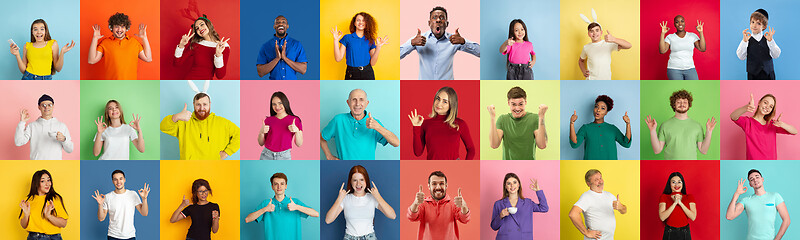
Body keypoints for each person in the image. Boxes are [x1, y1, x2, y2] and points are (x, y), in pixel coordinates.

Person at [400, 6, 480, 80]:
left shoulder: (454, 39)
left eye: (442, 18)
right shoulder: (419, 39)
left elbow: (481, 52)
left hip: (447, 88)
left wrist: (464, 42)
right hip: (424, 86)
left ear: (447, 24)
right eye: (434, 17)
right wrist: (411, 43)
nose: (438, 20)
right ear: (429, 23)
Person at [320, 89, 399, 160]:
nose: (357, 104)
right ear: (348, 102)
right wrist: (328, 156)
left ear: (366, 103)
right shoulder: (338, 120)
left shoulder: (374, 122)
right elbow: (321, 137)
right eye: (354, 100)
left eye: (361, 100)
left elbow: (396, 143)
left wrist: (378, 127)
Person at [160, 92, 241, 160]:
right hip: (189, 167)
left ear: (210, 104)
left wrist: (227, 152)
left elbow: (240, 135)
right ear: (194, 105)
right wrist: (176, 116)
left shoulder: (222, 122)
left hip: (213, 167)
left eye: (205, 104)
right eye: (198, 104)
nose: (202, 108)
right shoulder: (183, 121)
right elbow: (163, 127)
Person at [325, 165, 396, 239]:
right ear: (351, 182)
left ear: (366, 181)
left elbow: (392, 215)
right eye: (355, 180)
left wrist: (378, 196)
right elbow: (328, 220)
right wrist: (339, 199)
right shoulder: (345, 199)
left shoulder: (372, 198)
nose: (358, 184)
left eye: (361, 180)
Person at [245, 173, 319, 240]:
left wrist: (297, 207)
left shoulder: (294, 202)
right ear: (272, 187)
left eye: (282, 184)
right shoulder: (266, 203)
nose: (279, 186)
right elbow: (247, 219)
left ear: (286, 186)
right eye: (276, 184)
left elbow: (316, 214)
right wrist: (265, 209)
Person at [645, 89, 715, 160]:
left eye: (685, 102)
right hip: (670, 164)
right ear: (674, 105)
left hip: (690, 165)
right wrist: (652, 131)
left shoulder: (697, 126)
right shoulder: (665, 125)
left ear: (689, 105)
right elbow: (657, 150)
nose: (682, 104)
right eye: (679, 102)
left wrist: (709, 132)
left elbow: (703, 150)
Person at [409, 86, 476, 160]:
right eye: (438, 99)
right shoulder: (426, 124)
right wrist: (416, 127)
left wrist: (465, 166)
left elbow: (471, 149)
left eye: (445, 101)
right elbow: (417, 153)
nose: (439, 104)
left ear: (451, 105)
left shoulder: (460, 124)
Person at [725, 169, 790, 240]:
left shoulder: (775, 196)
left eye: (757, 177)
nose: (755, 180)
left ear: (762, 179)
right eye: (751, 179)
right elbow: (729, 216)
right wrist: (736, 194)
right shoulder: (746, 201)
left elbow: (786, 220)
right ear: (750, 184)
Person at [730, 93, 797, 160]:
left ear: (771, 110)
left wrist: (782, 124)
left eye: (771, 106)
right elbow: (733, 116)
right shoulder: (748, 122)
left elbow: (794, 131)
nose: (767, 107)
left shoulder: (773, 124)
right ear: (759, 102)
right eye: (765, 103)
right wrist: (745, 108)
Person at [487, 87, 548, 160]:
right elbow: (494, 145)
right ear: (508, 103)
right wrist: (492, 117)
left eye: (521, 104)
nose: (517, 108)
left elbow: (542, 145)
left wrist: (541, 117)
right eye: (513, 104)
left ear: (525, 102)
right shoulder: (503, 120)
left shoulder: (535, 118)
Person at [88, 12, 153, 80]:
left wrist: (144, 38)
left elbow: (148, 59)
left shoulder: (134, 42)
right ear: (111, 28)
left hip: (130, 86)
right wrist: (95, 39)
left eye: (122, 26)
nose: (119, 30)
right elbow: (91, 60)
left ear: (126, 28)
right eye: (116, 26)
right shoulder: (105, 43)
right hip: (111, 86)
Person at [407, 171, 469, 240]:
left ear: (446, 185)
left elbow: (465, 219)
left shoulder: (453, 204)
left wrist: (464, 207)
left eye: (441, 183)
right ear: (429, 186)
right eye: (434, 184)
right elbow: (412, 217)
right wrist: (415, 204)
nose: (438, 187)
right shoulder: (423, 203)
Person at [568, 169, 627, 240]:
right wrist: (586, 232)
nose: (601, 181)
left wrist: (621, 207)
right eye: (596, 180)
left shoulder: (609, 195)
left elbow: (624, 211)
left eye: (601, 178)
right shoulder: (587, 196)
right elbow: (573, 214)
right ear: (588, 184)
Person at [91, 170, 150, 240]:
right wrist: (100, 205)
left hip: (130, 236)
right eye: (115, 179)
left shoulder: (133, 194)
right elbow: (101, 218)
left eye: (121, 179)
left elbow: (144, 213)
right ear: (112, 181)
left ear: (124, 180)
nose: (118, 182)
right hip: (113, 236)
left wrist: (144, 199)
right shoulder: (108, 197)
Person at [569, 95, 632, 160]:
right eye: (596, 107)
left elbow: (626, 144)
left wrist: (628, 124)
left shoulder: (613, 129)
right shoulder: (585, 128)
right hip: (591, 167)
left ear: (606, 112)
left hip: (610, 166)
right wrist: (572, 123)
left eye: (602, 108)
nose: (598, 110)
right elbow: (574, 144)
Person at [9, 19, 75, 80]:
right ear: (32, 32)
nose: (38, 32)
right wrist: (17, 55)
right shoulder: (27, 46)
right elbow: (23, 70)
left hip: (46, 78)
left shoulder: (52, 44)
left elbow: (58, 69)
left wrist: (62, 53)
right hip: (28, 77)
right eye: (35, 29)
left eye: (42, 29)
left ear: (45, 31)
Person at [331, 12, 389, 80]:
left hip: (367, 73)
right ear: (354, 23)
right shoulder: (347, 38)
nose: (361, 22)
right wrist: (335, 40)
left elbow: (373, 63)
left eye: (363, 20)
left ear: (366, 23)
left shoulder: (370, 39)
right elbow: (338, 58)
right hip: (351, 73)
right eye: (358, 20)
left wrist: (378, 47)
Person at [15, 94, 74, 160]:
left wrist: (64, 139)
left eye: (49, 105)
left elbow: (70, 150)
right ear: (39, 107)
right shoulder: (32, 126)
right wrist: (22, 122)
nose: (47, 107)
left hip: (55, 165)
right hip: (36, 165)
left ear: (53, 106)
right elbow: (18, 142)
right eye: (43, 105)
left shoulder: (61, 126)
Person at [490, 173, 548, 240]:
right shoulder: (498, 204)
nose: (512, 185)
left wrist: (538, 191)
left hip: (523, 238)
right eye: (509, 183)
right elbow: (494, 227)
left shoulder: (528, 203)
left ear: (519, 184)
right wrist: (500, 216)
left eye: (514, 182)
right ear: (505, 186)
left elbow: (544, 208)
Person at [577, 10, 632, 80]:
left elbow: (628, 45)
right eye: (591, 31)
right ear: (588, 34)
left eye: (597, 30)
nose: (594, 33)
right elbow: (581, 61)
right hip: (591, 81)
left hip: (606, 81)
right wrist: (583, 71)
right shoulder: (586, 47)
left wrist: (614, 39)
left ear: (601, 32)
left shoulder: (608, 44)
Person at [174, 14, 231, 80]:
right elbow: (177, 63)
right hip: (190, 80)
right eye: (197, 28)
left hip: (206, 84)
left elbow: (220, 76)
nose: (200, 28)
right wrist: (181, 45)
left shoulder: (224, 46)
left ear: (208, 25)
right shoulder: (196, 45)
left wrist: (218, 55)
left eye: (202, 24)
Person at [19, 169, 69, 239]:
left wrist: (48, 216)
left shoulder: (55, 198)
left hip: (52, 238)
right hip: (33, 237)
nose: (47, 184)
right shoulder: (28, 200)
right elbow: (23, 225)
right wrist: (26, 215)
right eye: (42, 181)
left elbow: (64, 224)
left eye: (48, 180)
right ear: (36, 183)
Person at [257, 15, 308, 80]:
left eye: (283, 22)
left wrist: (285, 58)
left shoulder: (296, 44)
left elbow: (303, 70)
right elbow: (260, 72)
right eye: (277, 22)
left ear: (287, 26)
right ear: (274, 26)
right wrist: (277, 58)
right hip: (273, 86)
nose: (280, 24)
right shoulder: (266, 46)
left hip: (293, 86)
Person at [258, 92, 303, 160]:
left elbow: (299, 144)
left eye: (280, 103)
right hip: (266, 155)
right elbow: (261, 143)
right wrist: (261, 132)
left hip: (284, 156)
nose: (277, 107)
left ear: (285, 103)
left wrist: (297, 131)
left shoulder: (295, 120)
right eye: (274, 104)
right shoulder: (268, 120)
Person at [736, 9, 780, 80]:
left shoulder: (768, 38)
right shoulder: (746, 39)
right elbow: (741, 57)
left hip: (769, 75)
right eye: (752, 22)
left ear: (764, 26)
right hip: (753, 75)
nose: (754, 25)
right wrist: (744, 41)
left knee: (769, 91)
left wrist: (771, 41)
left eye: (758, 23)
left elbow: (776, 55)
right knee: (753, 90)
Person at [658, 15, 706, 80]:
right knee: (678, 88)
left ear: (685, 23)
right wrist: (662, 33)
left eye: (682, 21)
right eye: (677, 22)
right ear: (674, 24)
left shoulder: (692, 36)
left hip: (690, 68)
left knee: (694, 87)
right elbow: (662, 51)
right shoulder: (670, 37)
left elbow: (702, 49)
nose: (680, 23)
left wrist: (701, 32)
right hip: (674, 69)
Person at [659, 172, 696, 240]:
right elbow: (662, 217)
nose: (676, 185)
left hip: (685, 232)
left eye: (679, 182)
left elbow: (693, 217)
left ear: (683, 184)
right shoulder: (664, 197)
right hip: (669, 232)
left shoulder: (689, 197)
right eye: (673, 182)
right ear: (669, 184)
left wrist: (680, 203)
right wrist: (674, 203)